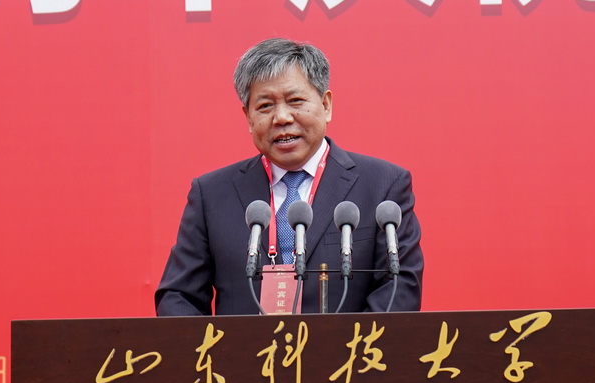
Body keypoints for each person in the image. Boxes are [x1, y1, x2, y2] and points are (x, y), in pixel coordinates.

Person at [155, 38, 423, 316]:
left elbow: (399, 289)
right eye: (265, 106)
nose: (282, 118)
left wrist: (343, 345)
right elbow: (177, 297)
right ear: (248, 117)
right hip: (244, 346)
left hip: (348, 345)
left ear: (326, 105)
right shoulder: (211, 194)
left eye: (295, 101)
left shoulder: (382, 186)